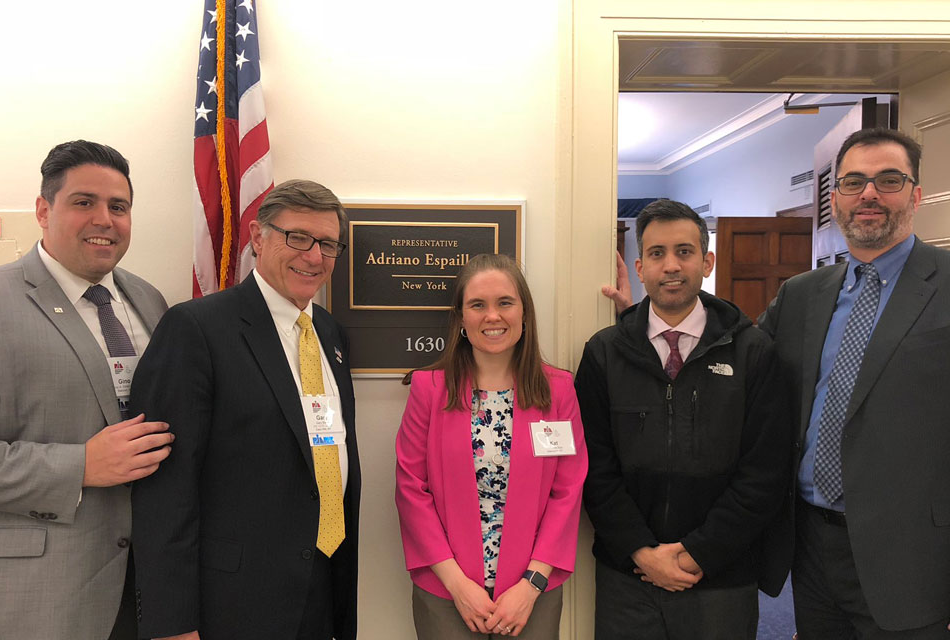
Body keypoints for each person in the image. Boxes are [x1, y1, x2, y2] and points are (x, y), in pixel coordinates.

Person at [129, 180, 360, 640]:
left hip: (321, 587)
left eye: (328, 244)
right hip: (231, 602)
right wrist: (171, 624)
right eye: (297, 237)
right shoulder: (196, 328)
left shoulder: (330, 334)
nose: (314, 256)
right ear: (257, 237)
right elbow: (165, 490)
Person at [758, 127, 950, 637]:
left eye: (888, 180)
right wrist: (652, 320)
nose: (868, 194)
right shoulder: (801, 294)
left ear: (915, 194)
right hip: (812, 548)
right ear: (835, 198)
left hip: (915, 558)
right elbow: (737, 363)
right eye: (853, 182)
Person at [576, 199, 791, 639]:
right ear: (639, 267)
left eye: (684, 251)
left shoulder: (753, 353)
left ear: (706, 261)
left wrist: (697, 553)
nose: (670, 265)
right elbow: (594, 467)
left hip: (720, 578)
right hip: (627, 579)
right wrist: (641, 551)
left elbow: (765, 472)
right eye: (656, 253)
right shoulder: (604, 353)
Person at [0, 140, 171, 640]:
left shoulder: (149, 300)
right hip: (39, 596)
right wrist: (80, 467)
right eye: (84, 202)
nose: (105, 219)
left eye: (119, 207)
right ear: (43, 211)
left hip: (149, 589)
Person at [395, 253, 588, 639]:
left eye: (505, 303)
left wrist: (531, 584)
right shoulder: (429, 389)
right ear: (461, 319)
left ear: (524, 313)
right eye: (477, 305)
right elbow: (410, 490)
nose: (492, 316)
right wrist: (458, 586)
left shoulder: (558, 390)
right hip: (448, 593)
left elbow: (567, 493)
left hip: (531, 593)